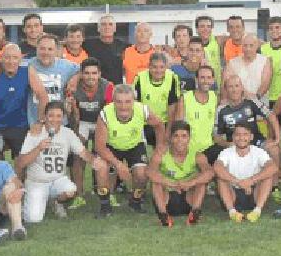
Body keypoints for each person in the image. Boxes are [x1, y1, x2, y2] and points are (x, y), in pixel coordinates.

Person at [14, 102, 100, 223]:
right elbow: (21, 162)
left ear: (63, 117)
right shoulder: (35, 133)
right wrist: (38, 148)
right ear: (44, 117)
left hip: (58, 180)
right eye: (51, 116)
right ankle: (29, 201)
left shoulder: (67, 133)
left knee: (71, 190)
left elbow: (83, 152)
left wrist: (95, 161)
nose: (55, 119)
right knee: (33, 219)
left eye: (58, 116)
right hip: (37, 181)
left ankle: (56, 202)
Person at [93, 84, 165, 217]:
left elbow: (159, 125)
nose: (123, 106)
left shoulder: (142, 110)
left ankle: (136, 201)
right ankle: (105, 206)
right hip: (111, 147)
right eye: (119, 101)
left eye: (127, 101)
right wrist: (119, 165)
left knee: (142, 174)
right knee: (101, 167)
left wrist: (159, 148)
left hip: (135, 145)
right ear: (113, 101)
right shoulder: (105, 113)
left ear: (134, 101)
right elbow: (100, 147)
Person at [0, 44, 47, 162]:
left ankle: (19, 181)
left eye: (15, 57)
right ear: (1, 58)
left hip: (19, 126)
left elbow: (43, 96)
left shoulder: (27, 71)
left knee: (22, 163)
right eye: (7, 57)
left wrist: (40, 121)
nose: (11, 61)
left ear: (20, 59)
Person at [147, 120, 214, 227]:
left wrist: (191, 183)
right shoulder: (160, 154)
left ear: (189, 138)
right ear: (171, 138)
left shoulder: (197, 155)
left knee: (201, 179)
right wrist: (171, 183)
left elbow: (210, 172)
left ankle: (195, 214)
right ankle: (163, 216)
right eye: (176, 136)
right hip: (167, 199)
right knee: (156, 182)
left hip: (188, 198)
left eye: (184, 136)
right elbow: (150, 172)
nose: (180, 140)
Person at [69, 58, 114, 209]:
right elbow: (73, 115)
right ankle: (79, 195)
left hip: (100, 121)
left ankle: (106, 192)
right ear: (81, 74)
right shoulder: (73, 87)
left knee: (104, 156)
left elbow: (108, 112)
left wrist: (100, 137)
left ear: (99, 74)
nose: (90, 77)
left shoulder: (107, 86)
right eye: (87, 73)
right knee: (78, 156)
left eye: (94, 73)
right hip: (82, 121)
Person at [213, 123, 277, 222]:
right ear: (233, 137)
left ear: (251, 137)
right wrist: (238, 182)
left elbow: (273, 167)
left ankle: (257, 211)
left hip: (254, 193)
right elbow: (217, 167)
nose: (241, 137)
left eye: (245, 134)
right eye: (238, 134)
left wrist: (251, 181)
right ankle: (232, 212)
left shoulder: (259, 151)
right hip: (233, 194)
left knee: (268, 176)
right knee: (221, 178)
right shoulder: (226, 152)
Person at [213, 74, 281, 165]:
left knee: (274, 150)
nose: (234, 90)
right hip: (235, 145)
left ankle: (275, 178)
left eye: (237, 86)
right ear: (226, 90)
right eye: (230, 87)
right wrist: (228, 144)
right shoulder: (221, 110)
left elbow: (271, 115)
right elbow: (216, 137)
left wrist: (277, 139)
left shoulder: (251, 101)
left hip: (256, 141)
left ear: (242, 88)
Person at [27, 34, 80, 127]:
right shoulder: (28, 64)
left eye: (50, 49)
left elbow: (84, 69)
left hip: (60, 123)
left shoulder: (66, 66)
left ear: (56, 51)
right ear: (36, 49)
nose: (46, 52)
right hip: (35, 123)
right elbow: (9, 61)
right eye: (42, 49)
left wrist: (75, 79)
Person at [133, 51, 180, 149]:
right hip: (145, 123)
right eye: (154, 67)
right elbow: (136, 106)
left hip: (165, 122)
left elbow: (172, 107)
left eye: (161, 67)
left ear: (166, 67)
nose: (158, 70)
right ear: (149, 66)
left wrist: (168, 132)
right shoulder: (140, 78)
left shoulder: (172, 78)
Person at [176, 66, 220, 160]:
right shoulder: (185, 98)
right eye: (202, 77)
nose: (205, 81)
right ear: (196, 79)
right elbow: (178, 128)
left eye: (208, 78)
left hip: (209, 148)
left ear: (213, 80)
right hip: (189, 150)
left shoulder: (215, 98)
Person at [226, 33, 272, 108]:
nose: (248, 49)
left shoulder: (265, 61)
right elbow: (228, 84)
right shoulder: (232, 63)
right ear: (242, 46)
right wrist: (246, 97)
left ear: (257, 46)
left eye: (251, 45)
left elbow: (265, 83)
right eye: (245, 45)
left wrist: (255, 98)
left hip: (260, 105)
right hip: (238, 107)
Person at [82, 15, 128, 85]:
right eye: (103, 24)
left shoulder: (124, 46)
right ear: (98, 28)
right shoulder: (87, 45)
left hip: (115, 89)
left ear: (115, 28)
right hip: (95, 89)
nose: (107, 27)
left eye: (110, 24)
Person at [259, 16, 281, 116]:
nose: (274, 30)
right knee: (272, 130)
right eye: (271, 28)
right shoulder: (262, 49)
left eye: (277, 27)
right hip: (268, 97)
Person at [195, 15, 224, 83]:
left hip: (216, 87)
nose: (206, 29)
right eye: (202, 26)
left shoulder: (217, 42)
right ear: (197, 29)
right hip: (199, 85)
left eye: (208, 26)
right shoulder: (192, 46)